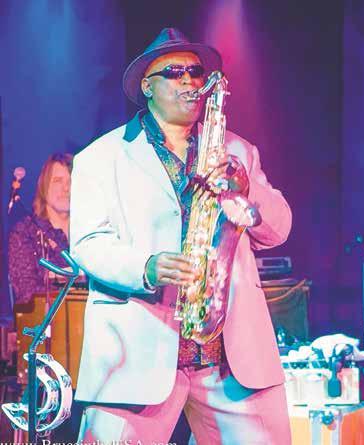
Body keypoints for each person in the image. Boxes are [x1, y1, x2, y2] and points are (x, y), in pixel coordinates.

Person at [69, 28, 292, 444]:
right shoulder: (100, 157)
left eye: (195, 72)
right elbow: (87, 243)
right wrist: (147, 267)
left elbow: (279, 229)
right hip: (137, 356)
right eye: (174, 73)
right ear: (147, 87)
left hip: (230, 359)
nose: (190, 81)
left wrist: (247, 192)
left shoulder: (239, 152)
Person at [8, 153, 73, 306]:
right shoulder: (25, 232)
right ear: (44, 186)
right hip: (48, 318)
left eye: (71, 181)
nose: (66, 188)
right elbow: (27, 294)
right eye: (58, 181)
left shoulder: (91, 231)